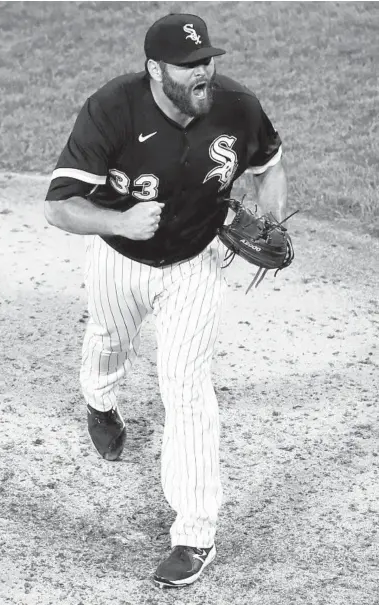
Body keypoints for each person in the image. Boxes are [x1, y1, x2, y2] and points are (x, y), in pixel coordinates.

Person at [45, 13, 287, 588]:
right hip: (118, 260)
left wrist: (272, 216)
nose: (204, 72)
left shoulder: (237, 106)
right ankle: (100, 402)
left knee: (187, 387)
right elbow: (59, 204)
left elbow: (269, 164)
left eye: (207, 60)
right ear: (155, 70)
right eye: (190, 66)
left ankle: (195, 533)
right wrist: (120, 221)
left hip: (195, 266)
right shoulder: (112, 108)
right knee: (107, 342)